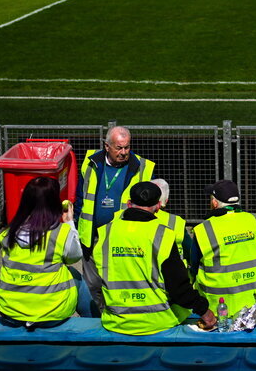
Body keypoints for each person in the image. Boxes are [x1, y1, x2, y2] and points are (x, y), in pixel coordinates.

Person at [87, 182, 216, 335]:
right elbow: (178, 287)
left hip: (117, 320)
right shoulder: (162, 235)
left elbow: (96, 281)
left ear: (128, 204)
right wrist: (204, 311)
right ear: (158, 206)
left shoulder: (106, 232)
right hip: (157, 321)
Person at [0, 176, 93, 328]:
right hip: (51, 314)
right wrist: (69, 222)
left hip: (10, 312)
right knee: (76, 278)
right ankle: (92, 324)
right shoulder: (60, 234)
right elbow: (75, 256)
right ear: (54, 203)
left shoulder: (8, 234)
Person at [185, 180, 256, 316]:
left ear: (215, 203)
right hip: (253, 302)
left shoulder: (205, 230)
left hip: (217, 307)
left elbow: (194, 267)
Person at [75, 126, 155, 260]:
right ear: (107, 146)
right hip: (92, 239)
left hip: (126, 241)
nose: (123, 152)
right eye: (119, 148)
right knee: (92, 280)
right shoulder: (90, 163)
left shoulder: (142, 168)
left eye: (127, 147)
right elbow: (80, 198)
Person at [150, 178, 187, 266]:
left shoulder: (131, 218)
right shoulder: (177, 221)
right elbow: (188, 249)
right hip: (174, 273)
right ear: (166, 201)